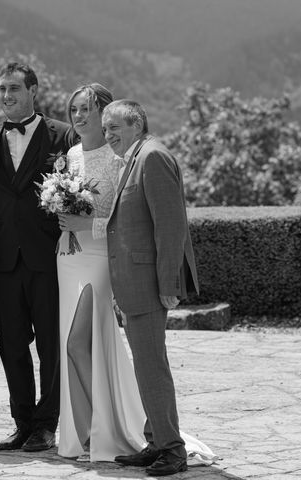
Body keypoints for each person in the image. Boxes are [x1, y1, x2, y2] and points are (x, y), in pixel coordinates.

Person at [0, 62, 78, 452]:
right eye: (1, 89)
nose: (6, 96)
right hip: (3, 260)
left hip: (49, 258)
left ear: (33, 91)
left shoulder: (63, 135)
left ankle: (47, 425)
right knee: (12, 346)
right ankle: (23, 422)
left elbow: (81, 185)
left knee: (49, 345)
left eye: (14, 88)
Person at [101, 100, 217, 476]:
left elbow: (171, 227)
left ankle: (172, 449)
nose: (108, 135)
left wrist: (169, 284)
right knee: (147, 366)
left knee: (152, 367)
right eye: (105, 129)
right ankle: (155, 440)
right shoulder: (135, 158)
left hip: (149, 285)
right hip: (135, 284)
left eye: (115, 127)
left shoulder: (152, 157)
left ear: (137, 125)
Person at [55, 84, 146, 462]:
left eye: (86, 110)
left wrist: (84, 224)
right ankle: (86, 430)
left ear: (104, 115)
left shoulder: (118, 157)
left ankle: (108, 426)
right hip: (66, 254)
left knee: (79, 342)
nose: (78, 117)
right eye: (74, 109)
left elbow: (123, 220)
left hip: (98, 255)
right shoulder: (71, 155)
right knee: (72, 344)